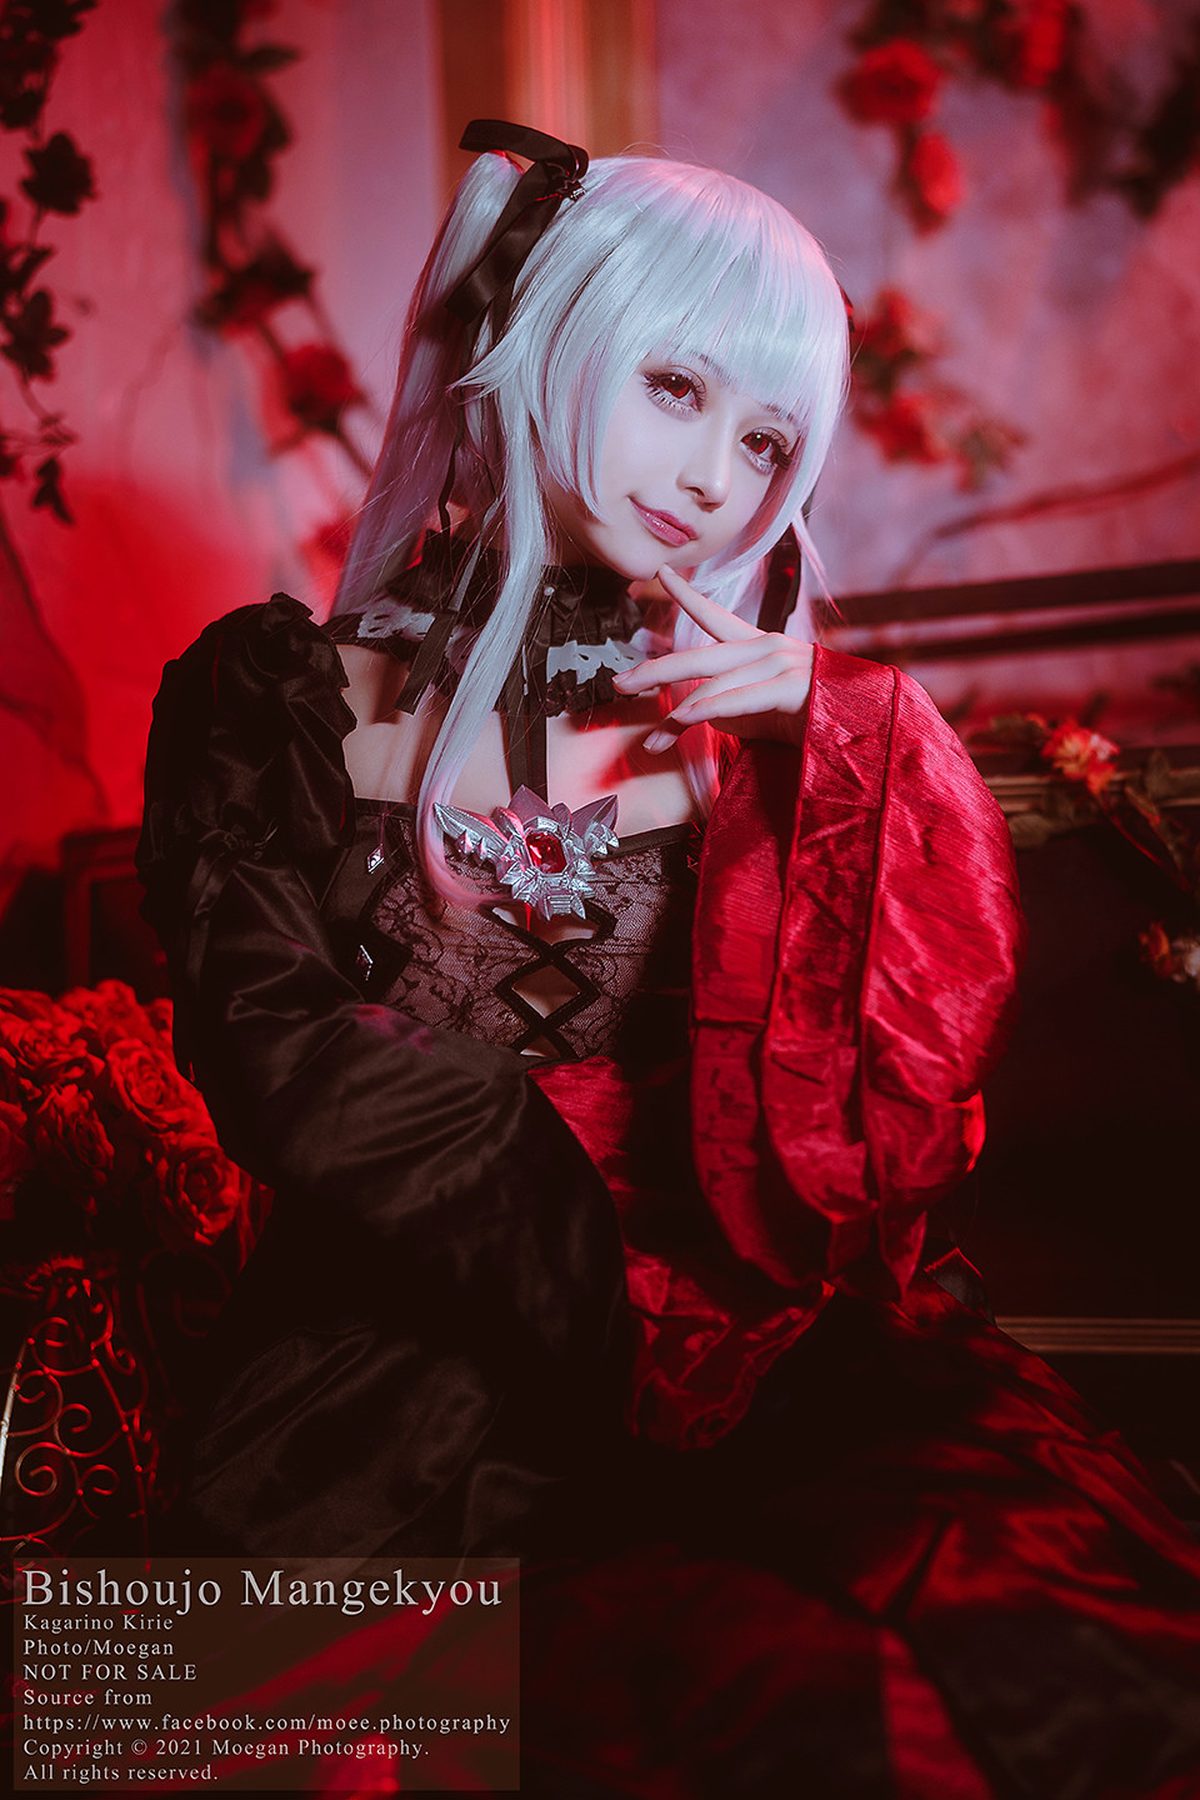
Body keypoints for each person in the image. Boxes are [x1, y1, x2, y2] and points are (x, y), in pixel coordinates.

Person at [138, 123, 1200, 1797]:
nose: (716, 475)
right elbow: (281, 1060)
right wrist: (580, 1250)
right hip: (404, 1342)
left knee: (971, 1666)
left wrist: (838, 743)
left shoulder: (773, 729)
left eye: (767, 436)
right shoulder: (277, 700)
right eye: (677, 387)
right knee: (262, 1718)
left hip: (754, 1326)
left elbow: (901, 1105)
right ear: (536, 339)